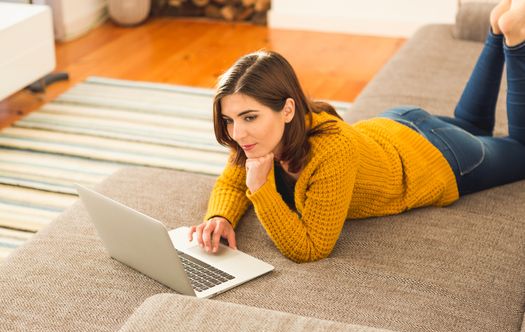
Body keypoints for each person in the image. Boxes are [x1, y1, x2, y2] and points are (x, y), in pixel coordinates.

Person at [188, 0, 525, 263]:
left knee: (519, 147)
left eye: (249, 117)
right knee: (473, 126)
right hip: (397, 125)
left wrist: (260, 189)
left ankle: (515, 38)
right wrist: (221, 216)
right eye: (229, 120)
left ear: (287, 109)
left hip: (436, 158)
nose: (238, 134)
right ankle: (497, 28)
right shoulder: (264, 137)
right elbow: (233, 179)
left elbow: (311, 248)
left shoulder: (331, 152)